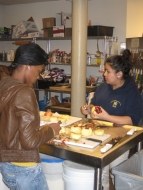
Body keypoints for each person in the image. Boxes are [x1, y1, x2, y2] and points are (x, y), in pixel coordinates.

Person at [0, 43, 60, 190]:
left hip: (6, 164)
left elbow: (9, 122)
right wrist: (51, 130)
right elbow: (29, 142)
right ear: (28, 66)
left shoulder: (4, 84)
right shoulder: (25, 92)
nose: (38, 76)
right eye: (38, 71)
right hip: (24, 169)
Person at [81, 49, 142, 190]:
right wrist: (89, 108)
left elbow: (132, 119)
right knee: (101, 172)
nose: (104, 74)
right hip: (99, 136)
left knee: (117, 173)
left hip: (119, 140)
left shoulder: (132, 93)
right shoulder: (103, 87)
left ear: (119, 74)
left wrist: (106, 117)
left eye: (108, 71)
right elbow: (95, 105)